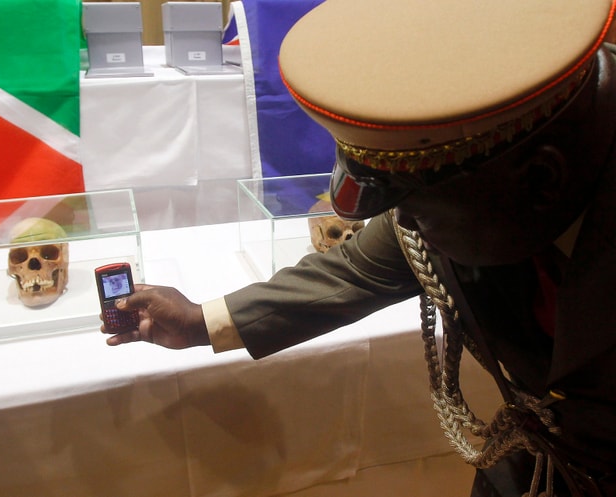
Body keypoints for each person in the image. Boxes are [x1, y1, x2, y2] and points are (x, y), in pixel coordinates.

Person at [101, 1, 616, 495]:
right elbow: (353, 271)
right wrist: (198, 321)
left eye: (417, 210)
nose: (403, 225)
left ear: (541, 180)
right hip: (544, 463)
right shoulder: (479, 179)